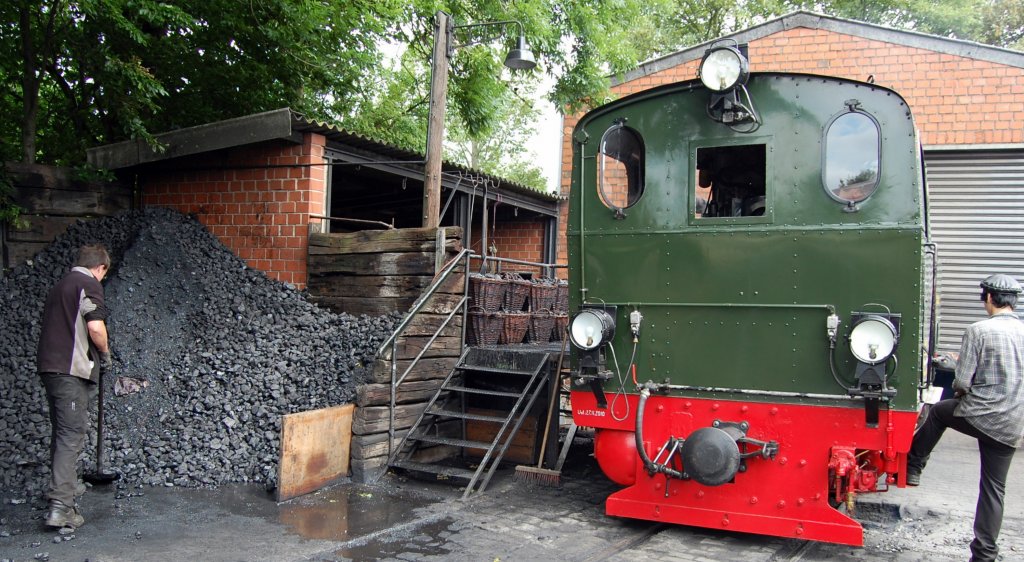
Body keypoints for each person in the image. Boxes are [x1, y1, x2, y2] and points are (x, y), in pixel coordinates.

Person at [906, 273, 1024, 562]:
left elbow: (961, 382)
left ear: (988, 298)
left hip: (982, 415)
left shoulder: (978, 330)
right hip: (1012, 423)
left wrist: (960, 383)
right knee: (994, 489)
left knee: (939, 412)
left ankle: (913, 465)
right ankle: (984, 555)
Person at [36, 244, 112, 529]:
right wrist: (104, 353)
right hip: (70, 371)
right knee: (71, 435)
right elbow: (95, 327)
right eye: (104, 273)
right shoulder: (87, 284)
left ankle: (64, 486)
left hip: (49, 368)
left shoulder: (60, 286)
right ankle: (61, 508)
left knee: (62, 431)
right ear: (100, 268)